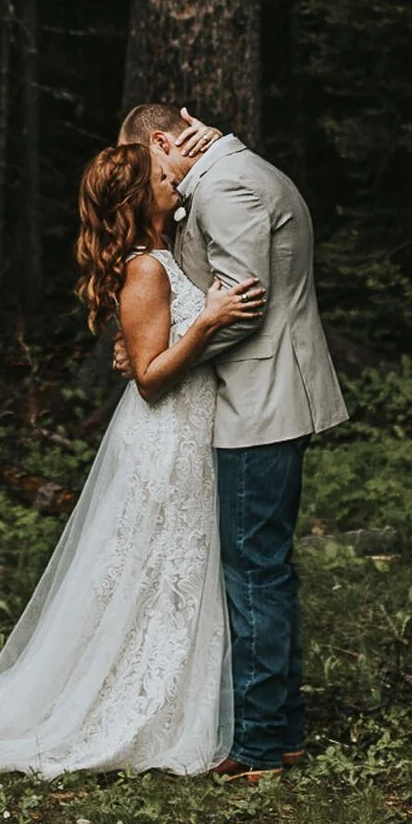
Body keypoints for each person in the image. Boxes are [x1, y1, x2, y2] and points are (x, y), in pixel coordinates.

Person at [0, 140, 265, 776]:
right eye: (164, 176)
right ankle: (129, 703)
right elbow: (149, 377)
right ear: (140, 198)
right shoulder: (145, 268)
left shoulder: (170, 256)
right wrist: (208, 322)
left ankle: (170, 697)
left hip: (191, 429)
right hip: (164, 433)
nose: (176, 181)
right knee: (155, 566)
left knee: (177, 568)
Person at [118, 102, 349, 777]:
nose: (145, 178)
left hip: (260, 399)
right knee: (264, 569)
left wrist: (165, 357)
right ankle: (282, 733)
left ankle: (257, 746)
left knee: (252, 572)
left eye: (145, 162)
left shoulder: (227, 186)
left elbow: (242, 310)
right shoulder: (229, 174)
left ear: (162, 142)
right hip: (259, 396)